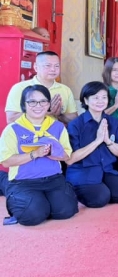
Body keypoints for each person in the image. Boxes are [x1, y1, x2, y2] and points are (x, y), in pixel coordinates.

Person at [0, 85, 78, 226]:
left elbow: (67, 156)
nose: (38, 106)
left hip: (53, 179)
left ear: (49, 105)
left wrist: (51, 152)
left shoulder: (58, 127)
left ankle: (42, 202)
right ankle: (6, 184)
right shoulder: (12, 129)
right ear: (24, 105)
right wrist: (35, 153)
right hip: (23, 182)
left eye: (43, 101)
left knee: (66, 211)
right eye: (32, 102)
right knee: (32, 216)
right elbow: (6, 161)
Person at [66, 82, 118, 207]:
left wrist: (108, 141)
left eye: (104, 97)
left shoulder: (113, 122)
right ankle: (75, 190)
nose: (100, 101)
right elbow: (70, 159)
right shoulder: (75, 124)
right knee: (100, 198)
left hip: (106, 169)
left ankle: (101, 188)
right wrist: (97, 141)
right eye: (95, 98)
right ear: (86, 100)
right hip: (83, 171)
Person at [5, 51, 77, 125]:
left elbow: (74, 120)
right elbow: (11, 119)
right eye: (48, 65)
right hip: (27, 132)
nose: (53, 69)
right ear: (36, 67)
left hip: (55, 132)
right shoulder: (19, 88)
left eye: (57, 66)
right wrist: (45, 111)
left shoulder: (65, 90)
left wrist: (59, 114)